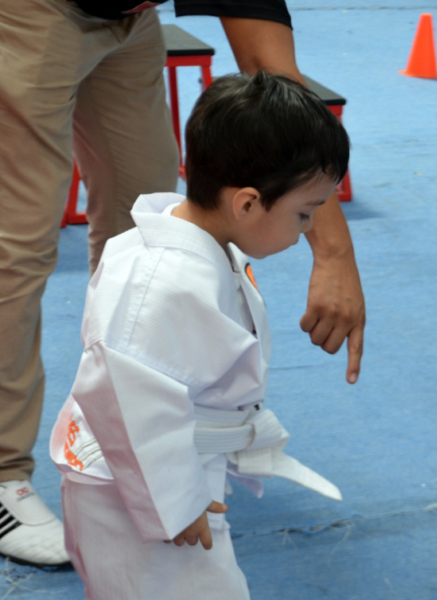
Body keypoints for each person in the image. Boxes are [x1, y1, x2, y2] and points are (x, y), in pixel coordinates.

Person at [0, 0, 365, 566]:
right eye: (302, 215)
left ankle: (149, 438)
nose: (305, 226)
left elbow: (274, 78)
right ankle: (1, 475)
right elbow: (265, 71)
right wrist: (333, 253)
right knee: (16, 246)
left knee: (155, 225)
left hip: (127, 16)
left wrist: (337, 255)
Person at [50, 71, 349, 599]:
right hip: (129, 486)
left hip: (161, 467)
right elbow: (126, 403)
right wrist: (175, 500)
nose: (308, 229)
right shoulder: (159, 286)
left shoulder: (200, 244)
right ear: (248, 203)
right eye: (304, 214)